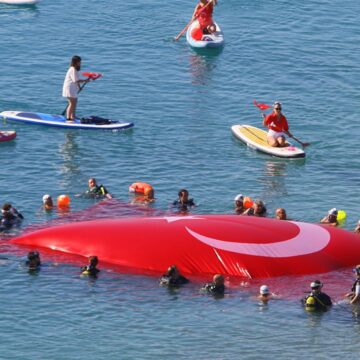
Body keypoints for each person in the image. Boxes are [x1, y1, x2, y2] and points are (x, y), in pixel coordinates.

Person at [62, 55, 90, 121]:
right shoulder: (72, 69)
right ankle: (68, 118)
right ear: (76, 62)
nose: (80, 63)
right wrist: (85, 81)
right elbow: (75, 80)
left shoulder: (75, 70)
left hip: (72, 88)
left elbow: (76, 80)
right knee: (72, 102)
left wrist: (79, 87)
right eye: (79, 61)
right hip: (69, 88)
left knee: (74, 101)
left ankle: (73, 116)